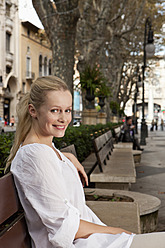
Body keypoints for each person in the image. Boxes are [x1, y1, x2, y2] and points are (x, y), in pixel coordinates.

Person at [7, 76, 165, 248]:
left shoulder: (45, 150)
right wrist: (116, 231)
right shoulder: (35, 156)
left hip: (90, 240)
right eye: (54, 110)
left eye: (67, 110)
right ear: (33, 111)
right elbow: (64, 225)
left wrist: (66, 157)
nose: (64, 118)